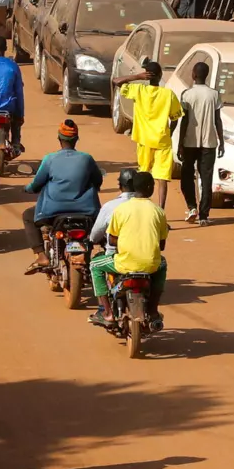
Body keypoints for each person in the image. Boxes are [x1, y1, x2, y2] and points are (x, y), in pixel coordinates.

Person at [22, 120, 104, 274]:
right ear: (76, 139)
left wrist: (27, 189)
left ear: (59, 139)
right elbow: (98, 180)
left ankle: (41, 255)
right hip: (87, 211)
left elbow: (36, 184)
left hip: (54, 212)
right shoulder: (87, 159)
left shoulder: (49, 159)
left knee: (28, 216)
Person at [89, 171, 168, 325]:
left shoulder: (120, 210)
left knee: (94, 266)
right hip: (150, 265)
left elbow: (112, 241)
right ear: (150, 188)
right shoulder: (159, 211)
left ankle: (107, 312)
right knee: (163, 264)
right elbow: (162, 245)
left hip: (123, 264)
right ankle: (152, 310)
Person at [111, 61, 183, 209]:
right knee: (162, 178)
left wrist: (137, 76)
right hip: (162, 140)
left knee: (142, 174)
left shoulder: (139, 90)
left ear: (146, 76)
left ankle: (140, 207)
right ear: (161, 75)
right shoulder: (168, 94)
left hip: (144, 140)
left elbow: (116, 81)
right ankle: (161, 210)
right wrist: (170, 133)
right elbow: (175, 118)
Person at [178, 61, 224, 226]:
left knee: (186, 177)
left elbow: (185, 121)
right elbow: (217, 120)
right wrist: (222, 141)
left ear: (193, 74)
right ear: (206, 75)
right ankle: (204, 215)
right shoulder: (214, 94)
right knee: (206, 179)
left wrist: (179, 144)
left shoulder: (186, 94)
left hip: (190, 142)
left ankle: (192, 207)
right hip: (209, 143)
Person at [91, 167, 138, 251]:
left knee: (94, 263)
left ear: (120, 185)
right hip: (142, 256)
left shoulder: (110, 206)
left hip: (116, 257)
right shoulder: (152, 208)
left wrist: (92, 240)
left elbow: (95, 235)